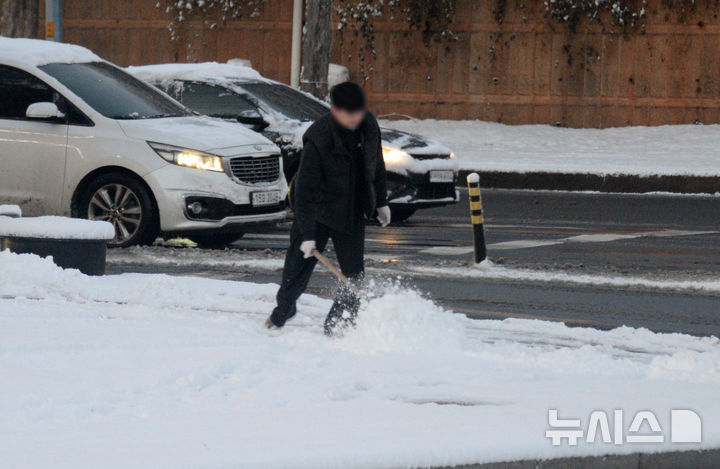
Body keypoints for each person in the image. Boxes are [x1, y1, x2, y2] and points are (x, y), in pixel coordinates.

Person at [265, 82, 391, 336]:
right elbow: (304, 191)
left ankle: (339, 325)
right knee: (297, 269)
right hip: (318, 212)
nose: (356, 119)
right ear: (335, 110)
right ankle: (283, 311)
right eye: (349, 114)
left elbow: (376, 164)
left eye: (359, 112)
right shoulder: (319, 140)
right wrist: (308, 233)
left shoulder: (368, 127)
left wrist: (381, 201)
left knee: (354, 276)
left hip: (352, 211)